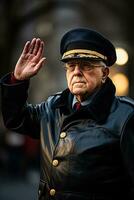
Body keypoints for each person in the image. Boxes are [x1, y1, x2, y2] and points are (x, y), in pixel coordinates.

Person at [0, 28, 134, 200]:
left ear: (104, 73)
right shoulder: (53, 107)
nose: (77, 72)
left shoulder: (126, 116)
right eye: (71, 66)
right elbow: (15, 120)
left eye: (86, 65)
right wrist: (17, 80)